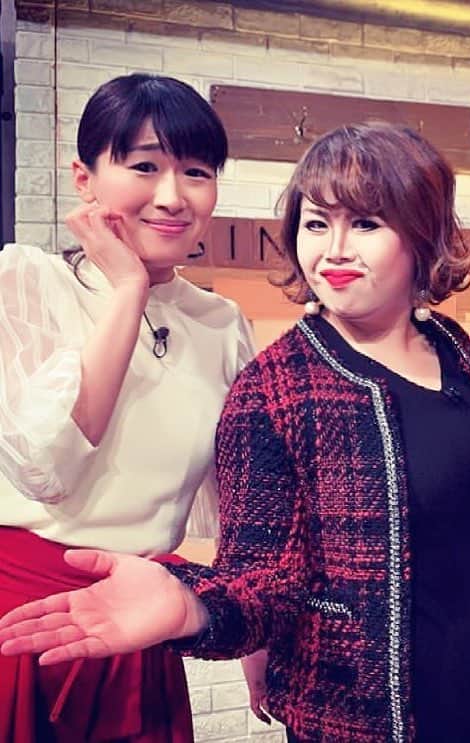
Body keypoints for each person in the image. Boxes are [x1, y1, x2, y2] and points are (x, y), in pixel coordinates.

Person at [0, 122, 470, 742]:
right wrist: (193, 605)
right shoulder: (276, 388)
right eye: (316, 224)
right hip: (360, 715)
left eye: (366, 224)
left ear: (422, 231)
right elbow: (261, 582)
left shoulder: (468, 358)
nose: (334, 250)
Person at [0, 73, 254, 742]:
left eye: (196, 172)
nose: (172, 196)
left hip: (137, 624)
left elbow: (241, 504)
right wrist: (127, 290)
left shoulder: (221, 322)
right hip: (17, 622)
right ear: (84, 179)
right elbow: (47, 469)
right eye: (144, 166)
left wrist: (253, 644)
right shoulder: (24, 280)